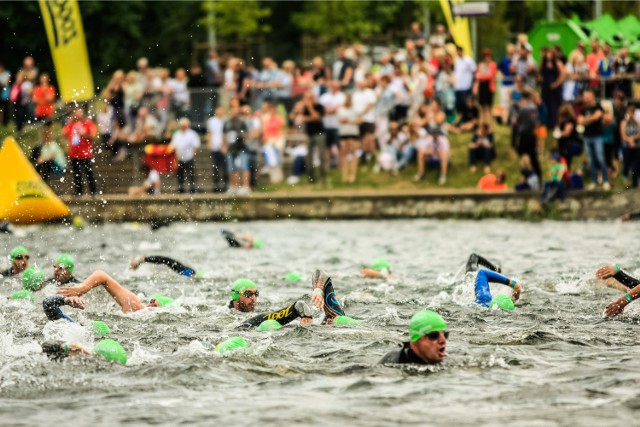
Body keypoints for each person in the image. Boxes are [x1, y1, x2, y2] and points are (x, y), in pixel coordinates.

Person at [228, 278, 313, 328]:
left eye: (256, 294)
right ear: (236, 295)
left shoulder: (261, 310)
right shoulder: (227, 317)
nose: (254, 298)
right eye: (249, 294)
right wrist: (295, 308)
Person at [379, 310, 448, 365]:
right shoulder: (392, 362)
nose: (443, 340)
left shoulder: (446, 360)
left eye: (445, 335)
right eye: (434, 335)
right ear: (416, 340)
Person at [578, 90, 608, 190]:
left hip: (597, 136)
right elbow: (581, 121)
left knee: (600, 158)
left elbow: (599, 117)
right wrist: (591, 118)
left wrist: (587, 119)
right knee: (591, 161)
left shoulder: (598, 107)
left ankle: (605, 181)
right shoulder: (583, 109)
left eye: (587, 96)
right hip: (587, 137)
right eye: (584, 96)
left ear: (592, 96)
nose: (585, 98)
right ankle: (594, 181)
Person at [63, 108, 98, 196]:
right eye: (76, 113)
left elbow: (93, 136)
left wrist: (84, 134)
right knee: (76, 174)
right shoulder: (71, 124)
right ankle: (79, 191)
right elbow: (64, 134)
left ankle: (93, 190)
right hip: (74, 153)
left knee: (88, 173)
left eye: (79, 113)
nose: (77, 115)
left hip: (85, 153)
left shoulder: (88, 123)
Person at [170, 117, 200, 194]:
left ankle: (193, 189)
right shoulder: (177, 134)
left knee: (191, 175)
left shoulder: (192, 134)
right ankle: (181, 189)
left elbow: (195, 145)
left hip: (189, 157)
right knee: (180, 175)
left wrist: (193, 154)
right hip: (179, 158)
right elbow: (173, 146)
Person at [474, 49, 497, 127]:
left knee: (489, 107)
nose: (487, 58)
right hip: (482, 87)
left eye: (489, 56)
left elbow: (490, 75)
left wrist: (481, 76)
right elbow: (477, 76)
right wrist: (481, 76)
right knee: (482, 107)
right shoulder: (480, 65)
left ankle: (490, 124)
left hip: (489, 87)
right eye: (486, 56)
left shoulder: (493, 64)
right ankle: (482, 123)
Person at [207, 107, 227, 192]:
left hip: (223, 147)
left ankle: (226, 186)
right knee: (215, 167)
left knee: (225, 167)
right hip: (215, 146)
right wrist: (210, 143)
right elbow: (210, 132)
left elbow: (225, 133)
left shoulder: (225, 120)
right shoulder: (211, 121)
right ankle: (216, 186)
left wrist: (225, 145)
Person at [129, 255, 202, 278]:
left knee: (167, 261)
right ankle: (142, 260)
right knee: (167, 261)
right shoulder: (189, 273)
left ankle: (142, 260)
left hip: (189, 272)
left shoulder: (189, 273)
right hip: (189, 272)